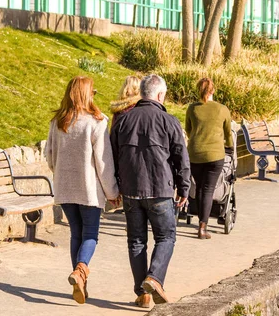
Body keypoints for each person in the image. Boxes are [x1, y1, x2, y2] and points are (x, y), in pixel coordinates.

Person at [110, 74, 191, 308]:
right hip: (160, 189)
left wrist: (116, 186)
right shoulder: (169, 121)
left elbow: (112, 157)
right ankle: (154, 278)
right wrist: (184, 187)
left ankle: (143, 293)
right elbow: (181, 158)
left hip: (132, 191)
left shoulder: (123, 121)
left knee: (136, 241)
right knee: (166, 236)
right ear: (160, 95)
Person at [45, 76, 120, 305]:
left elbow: (49, 156)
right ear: (87, 95)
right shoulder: (96, 122)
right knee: (90, 235)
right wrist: (112, 192)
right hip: (88, 189)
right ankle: (80, 272)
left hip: (65, 189)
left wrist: (60, 173)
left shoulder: (57, 123)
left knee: (76, 233)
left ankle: (80, 283)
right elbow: (104, 163)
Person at [185, 78, 233, 239]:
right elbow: (228, 133)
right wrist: (230, 147)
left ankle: (200, 221)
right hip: (215, 155)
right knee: (208, 189)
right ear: (213, 90)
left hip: (195, 153)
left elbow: (188, 130)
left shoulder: (192, 109)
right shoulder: (222, 109)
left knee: (199, 187)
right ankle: (202, 227)